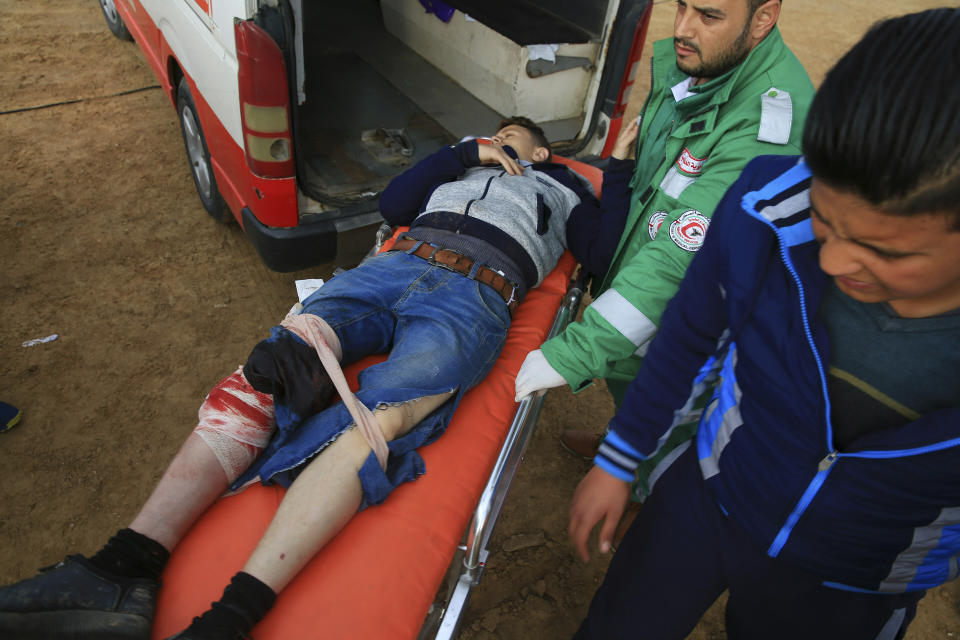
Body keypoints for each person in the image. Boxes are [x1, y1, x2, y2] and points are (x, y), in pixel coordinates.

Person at [0, 117, 595, 640]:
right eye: (487, 136)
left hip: (474, 293)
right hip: (394, 264)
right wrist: (465, 155)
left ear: (539, 152)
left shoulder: (562, 188)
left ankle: (229, 620)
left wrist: (613, 171)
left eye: (507, 136)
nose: (493, 141)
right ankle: (123, 565)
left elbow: (597, 247)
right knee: (272, 367)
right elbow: (393, 207)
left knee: (382, 417)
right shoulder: (455, 168)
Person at [568, 8, 960, 638]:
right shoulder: (763, 204)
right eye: (824, 218)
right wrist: (621, 459)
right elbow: (688, 341)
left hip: (855, 580)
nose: (830, 260)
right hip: (708, 495)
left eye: (887, 252)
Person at [515, 0, 814, 500]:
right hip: (644, 278)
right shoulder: (705, 62)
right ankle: (625, 442)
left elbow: (682, 253)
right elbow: (666, 182)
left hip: (688, 303)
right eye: (681, 7)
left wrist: (577, 351)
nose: (683, 29)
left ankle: (640, 482)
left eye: (709, 15)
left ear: (763, 18)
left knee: (673, 406)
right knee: (635, 386)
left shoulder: (766, 127)